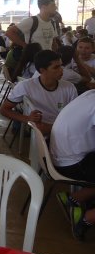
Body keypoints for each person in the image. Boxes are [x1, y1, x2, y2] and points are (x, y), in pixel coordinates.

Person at [50, 90, 95, 240]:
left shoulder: (90, 93)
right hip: (72, 164)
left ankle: (74, 198)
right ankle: (88, 218)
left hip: (65, 157)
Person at [0, 50, 77, 136]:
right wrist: (27, 119)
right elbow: (4, 110)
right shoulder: (26, 86)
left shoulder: (69, 87)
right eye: (56, 67)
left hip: (63, 127)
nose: (61, 70)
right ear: (42, 70)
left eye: (61, 66)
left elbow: (74, 114)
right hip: (40, 129)